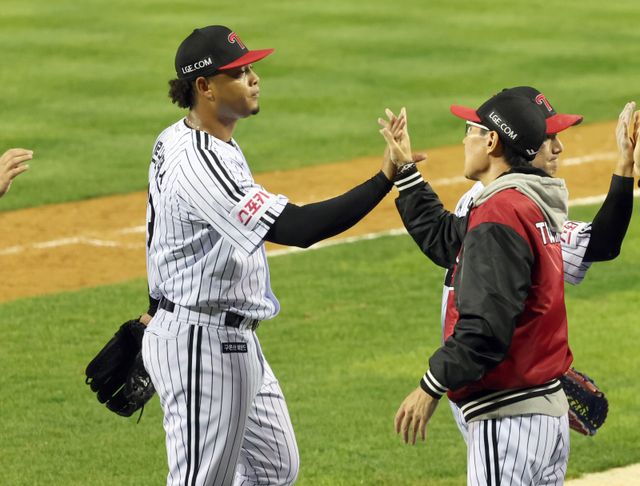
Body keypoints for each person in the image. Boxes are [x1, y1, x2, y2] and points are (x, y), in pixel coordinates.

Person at [141, 25, 407, 486]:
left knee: (274, 467)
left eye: (251, 68)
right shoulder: (197, 161)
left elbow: (162, 234)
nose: (254, 78)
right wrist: (385, 177)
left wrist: (155, 306)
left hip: (227, 335)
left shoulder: (188, 138)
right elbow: (299, 228)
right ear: (204, 87)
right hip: (200, 342)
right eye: (238, 72)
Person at [379, 87, 608, 485]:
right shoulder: (523, 203)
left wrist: (430, 387)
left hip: (510, 419)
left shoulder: (499, 214)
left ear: (491, 141)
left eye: (471, 132)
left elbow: (484, 326)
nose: (464, 141)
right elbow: (448, 240)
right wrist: (406, 172)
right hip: (541, 415)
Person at [439, 90, 635, 442]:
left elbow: (600, 245)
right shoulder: (500, 205)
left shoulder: (512, 203)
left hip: (488, 382)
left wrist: (624, 168)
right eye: (548, 138)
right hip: (493, 388)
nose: (558, 148)